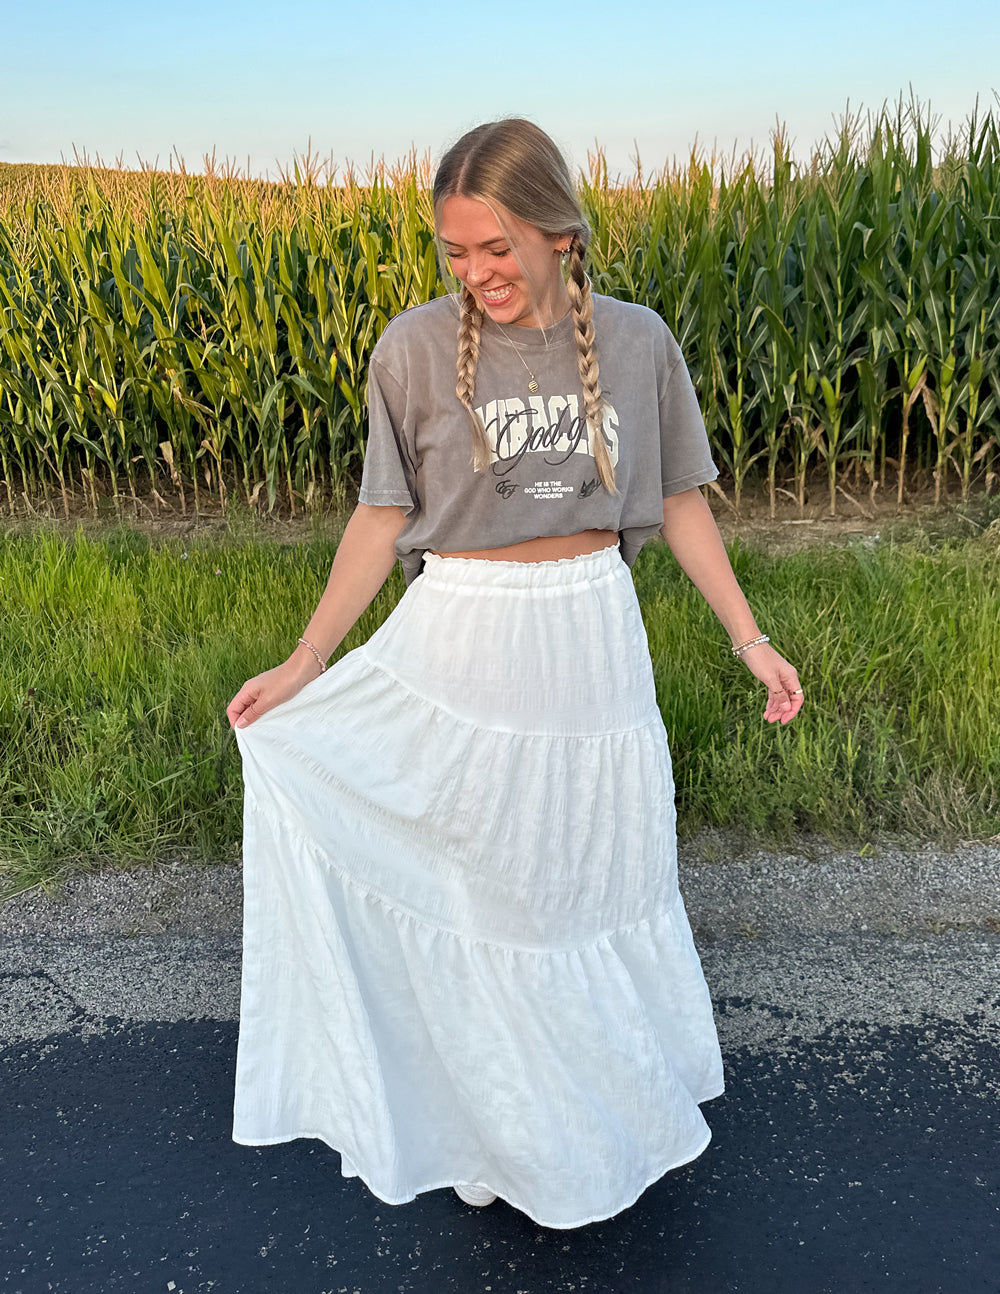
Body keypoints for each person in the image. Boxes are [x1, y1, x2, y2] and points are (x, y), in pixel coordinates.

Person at [226, 118, 803, 1230]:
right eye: (454, 252)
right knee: (486, 896)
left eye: (496, 246)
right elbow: (382, 514)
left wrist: (747, 636)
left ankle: (596, 1119)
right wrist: (306, 660)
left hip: (590, 638)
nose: (477, 273)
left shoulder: (637, 343)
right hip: (463, 640)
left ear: (558, 232)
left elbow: (680, 500)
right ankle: (507, 1129)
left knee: (589, 883)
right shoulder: (408, 349)